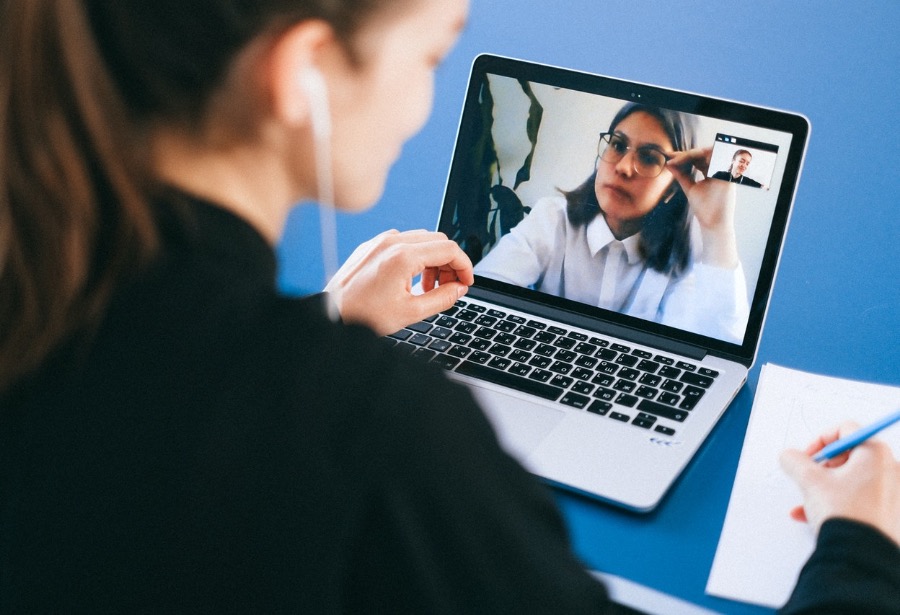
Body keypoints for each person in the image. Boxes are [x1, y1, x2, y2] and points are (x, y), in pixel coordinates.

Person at [0, 1, 897, 613]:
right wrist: (861, 542)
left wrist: (323, 322)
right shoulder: (385, 430)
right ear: (305, 72)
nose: (622, 164)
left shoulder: (39, 296)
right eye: (431, 54)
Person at [474, 104, 750, 344]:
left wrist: (717, 228)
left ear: (671, 190)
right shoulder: (552, 218)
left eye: (649, 157)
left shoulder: (686, 258)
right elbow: (481, 296)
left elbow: (715, 348)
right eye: (618, 145)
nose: (624, 167)